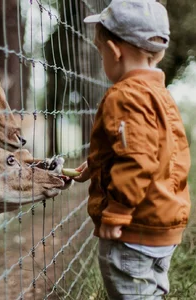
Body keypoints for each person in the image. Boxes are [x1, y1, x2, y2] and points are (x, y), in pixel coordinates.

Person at [74, 0, 191, 299]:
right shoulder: (161, 96)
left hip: (133, 229)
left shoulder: (124, 96)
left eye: (101, 53)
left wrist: (118, 212)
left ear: (114, 52)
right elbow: (158, 151)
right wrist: (96, 166)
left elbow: (138, 159)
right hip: (162, 226)